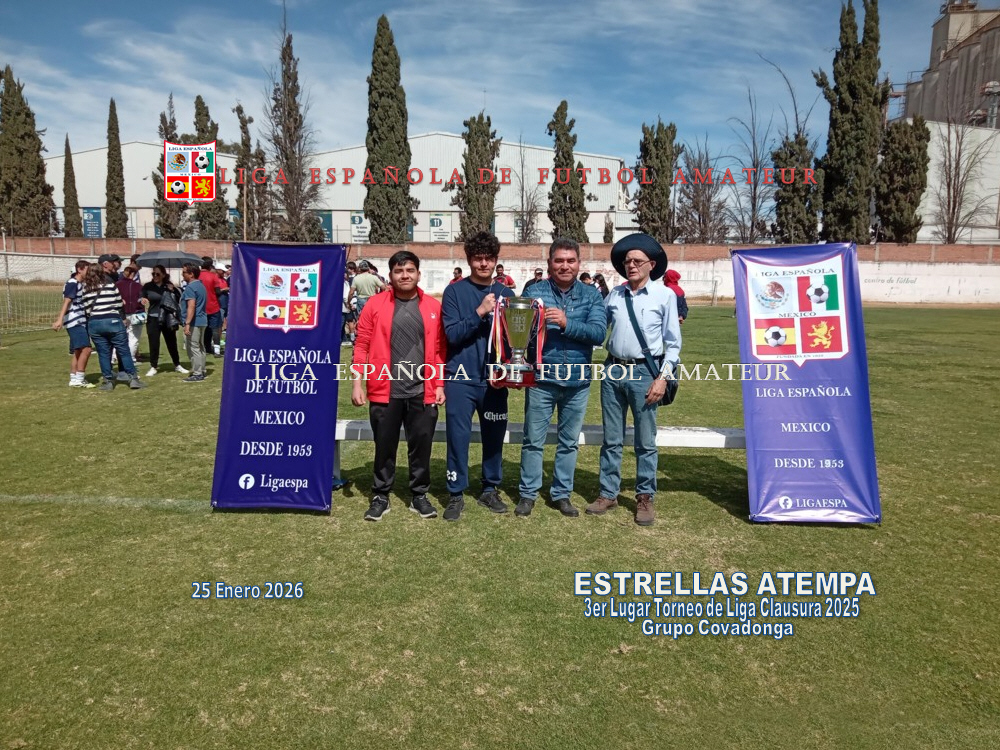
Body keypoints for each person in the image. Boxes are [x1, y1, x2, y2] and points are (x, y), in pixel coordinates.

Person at [587, 233, 680, 526]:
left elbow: (673, 344)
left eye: (637, 261)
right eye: (627, 261)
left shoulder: (665, 296)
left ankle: (645, 496)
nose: (631, 265)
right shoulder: (615, 295)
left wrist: (662, 379)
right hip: (613, 370)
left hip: (644, 373)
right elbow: (597, 330)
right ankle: (608, 493)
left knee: (645, 440)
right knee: (611, 438)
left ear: (651, 264)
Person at [352, 251, 446, 522]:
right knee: (384, 445)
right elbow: (361, 345)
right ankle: (381, 495)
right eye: (399, 271)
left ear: (418, 274)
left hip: (422, 390)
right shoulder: (374, 305)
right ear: (390, 275)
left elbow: (439, 350)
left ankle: (419, 495)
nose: (405, 275)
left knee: (421, 446)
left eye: (410, 270)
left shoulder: (433, 307)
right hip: (385, 390)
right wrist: (357, 383)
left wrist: (440, 384)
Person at [516, 238, 607, 517]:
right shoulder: (534, 291)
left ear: (579, 264)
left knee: (569, 442)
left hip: (577, 382)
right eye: (559, 260)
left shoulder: (591, 294)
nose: (564, 266)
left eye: (570, 261)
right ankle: (528, 493)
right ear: (549, 263)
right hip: (542, 380)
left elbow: (598, 333)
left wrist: (567, 323)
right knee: (533, 440)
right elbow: (518, 330)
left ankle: (561, 494)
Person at [441, 231, 516, 520]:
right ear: (469, 260)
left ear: (496, 260)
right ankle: (455, 492)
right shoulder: (454, 292)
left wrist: (515, 371)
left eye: (488, 258)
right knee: (457, 437)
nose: (483, 263)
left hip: (495, 380)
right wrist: (480, 312)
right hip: (460, 378)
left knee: (494, 436)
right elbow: (452, 334)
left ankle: (489, 489)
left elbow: (514, 342)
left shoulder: (507, 295)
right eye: (477, 258)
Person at [79, 258, 147, 391]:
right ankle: (133, 378)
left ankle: (108, 381)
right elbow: (119, 303)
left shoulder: (86, 289)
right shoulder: (110, 286)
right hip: (113, 320)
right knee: (123, 351)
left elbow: (86, 309)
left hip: (95, 323)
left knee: (103, 353)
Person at [52, 259, 94, 388]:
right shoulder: (72, 283)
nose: (89, 273)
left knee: (78, 351)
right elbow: (67, 301)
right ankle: (79, 378)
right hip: (75, 321)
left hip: (80, 320)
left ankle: (74, 378)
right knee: (87, 349)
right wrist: (60, 319)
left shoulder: (81, 284)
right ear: (79, 270)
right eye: (87, 270)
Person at [142, 265, 188, 376]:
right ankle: (153, 366)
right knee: (153, 342)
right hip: (153, 317)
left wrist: (173, 290)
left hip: (167, 318)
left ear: (163, 275)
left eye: (157, 274)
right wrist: (142, 299)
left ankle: (177, 364)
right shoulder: (148, 286)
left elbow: (178, 298)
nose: (155, 276)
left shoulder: (168, 286)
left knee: (171, 341)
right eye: (153, 274)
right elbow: (142, 296)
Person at [180, 263, 208, 383]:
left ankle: (197, 373)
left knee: (193, 347)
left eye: (184, 272)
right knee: (200, 346)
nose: (182, 274)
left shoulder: (191, 288)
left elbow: (191, 306)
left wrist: (187, 324)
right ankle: (202, 370)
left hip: (194, 322)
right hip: (202, 320)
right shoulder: (201, 286)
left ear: (191, 274)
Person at [116, 265, 147, 365]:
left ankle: (114, 357)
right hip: (135, 313)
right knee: (133, 337)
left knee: (119, 337)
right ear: (133, 274)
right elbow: (140, 299)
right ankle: (131, 358)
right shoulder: (137, 286)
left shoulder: (117, 285)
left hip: (120, 313)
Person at [199, 258, 226, 356]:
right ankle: (217, 351)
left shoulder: (197, 276)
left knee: (204, 329)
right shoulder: (213, 276)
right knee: (215, 328)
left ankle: (205, 348)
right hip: (213, 306)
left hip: (201, 307)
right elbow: (217, 292)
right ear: (210, 266)